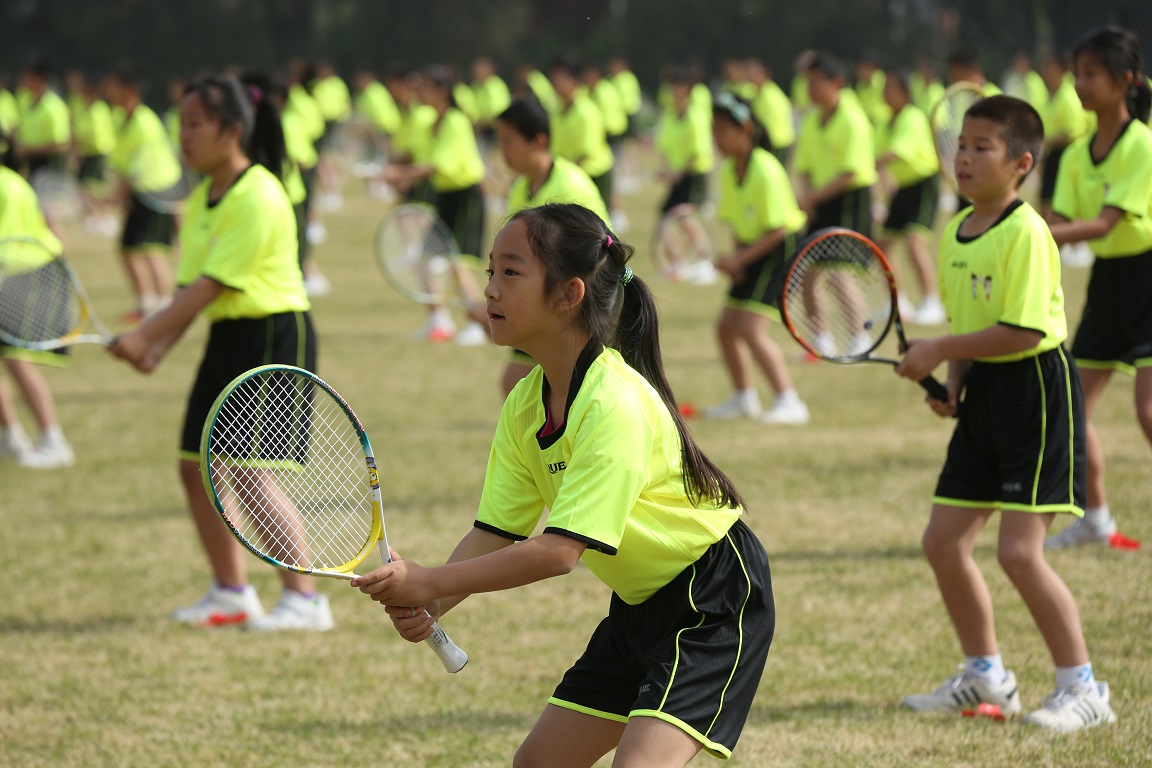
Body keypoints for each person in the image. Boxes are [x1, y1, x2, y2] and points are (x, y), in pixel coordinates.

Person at [352, 202, 775, 766]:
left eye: (511, 272)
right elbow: (495, 532)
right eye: (489, 273)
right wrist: (431, 600)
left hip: (712, 600)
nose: (491, 291)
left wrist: (428, 579)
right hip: (637, 606)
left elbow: (557, 553)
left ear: (568, 294)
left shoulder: (614, 402)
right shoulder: (525, 405)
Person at [894, 95, 1116, 732]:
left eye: (980, 147)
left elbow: (1020, 332)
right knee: (943, 542)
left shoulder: (1027, 231)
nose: (963, 157)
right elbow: (970, 325)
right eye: (960, 144)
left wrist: (940, 349)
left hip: (1034, 395)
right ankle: (986, 675)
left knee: (1020, 553)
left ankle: (1085, 688)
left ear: (1021, 163)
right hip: (986, 393)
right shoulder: (954, 232)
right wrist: (953, 384)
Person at [108, 74, 332, 632]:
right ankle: (232, 592)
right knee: (195, 467)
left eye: (196, 124)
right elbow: (191, 291)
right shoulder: (204, 198)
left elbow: (210, 287)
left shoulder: (258, 192)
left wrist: (143, 336)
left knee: (248, 471)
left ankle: (305, 599)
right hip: (229, 337)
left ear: (232, 129)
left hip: (272, 335)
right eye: (180, 124)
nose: (183, 136)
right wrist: (156, 346)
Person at [1043, 27, 1152, 549]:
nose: (1079, 83)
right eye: (1076, 73)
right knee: (1072, 404)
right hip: (1109, 283)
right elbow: (1058, 225)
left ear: (1124, 81)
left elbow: (1106, 223)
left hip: (1147, 276)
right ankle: (1097, 519)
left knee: (1148, 413)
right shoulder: (1076, 154)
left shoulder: (1140, 144)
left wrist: (1035, 229)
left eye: (1090, 73)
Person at [702, 92, 809, 426]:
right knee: (725, 328)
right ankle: (743, 397)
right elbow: (736, 224)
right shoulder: (728, 171)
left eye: (722, 130)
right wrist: (737, 260)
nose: (715, 138)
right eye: (713, 130)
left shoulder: (765, 167)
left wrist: (740, 259)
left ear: (745, 129)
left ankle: (789, 400)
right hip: (753, 251)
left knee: (750, 328)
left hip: (780, 250)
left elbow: (778, 230)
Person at [493, 97, 610, 396]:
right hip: (539, 307)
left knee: (533, 386)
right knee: (519, 387)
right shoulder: (520, 188)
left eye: (509, 141)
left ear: (539, 141)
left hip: (574, 310)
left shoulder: (572, 185)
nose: (502, 150)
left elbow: (598, 256)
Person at [378, 66, 488, 346]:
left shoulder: (454, 121)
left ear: (441, 92)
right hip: (446, 195)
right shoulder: (432, 124)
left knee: (457, 264)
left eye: (425, 88)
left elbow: (435, 165)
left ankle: (478, 324)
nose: (419, 93)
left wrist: (398, 175)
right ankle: (439, 319)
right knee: (428, 259)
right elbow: (419, 160)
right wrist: (398, 173)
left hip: (465, 196)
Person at [0, 164, 76, 468]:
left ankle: (53, 440)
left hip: (23, 273)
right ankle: (11, 437)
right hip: (21, 269)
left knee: (17, 358)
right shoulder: (13, 179)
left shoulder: (6, 184)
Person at [103, 64, 183, 323]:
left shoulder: (145, 123)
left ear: (130, 90)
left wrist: (115, 197)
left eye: (114, 85)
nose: (108, 91)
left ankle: (166, 306)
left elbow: (137, 170)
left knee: (152, 249)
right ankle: (147, 303)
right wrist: (117, 195)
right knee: (128, 248)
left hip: (158, 191)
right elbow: (121, 163)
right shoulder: (119, 119)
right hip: (140, 191)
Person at [875, 68, 945, 325]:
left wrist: (869, 163)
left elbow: (896, 152)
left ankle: (932, 301)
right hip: (902, 188)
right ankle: (898, 302)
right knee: (884, 245)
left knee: (915, 244)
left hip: (923, 185)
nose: (884, 93)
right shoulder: (885, 122)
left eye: (889, 88)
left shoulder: (912, 117)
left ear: (904, 92)